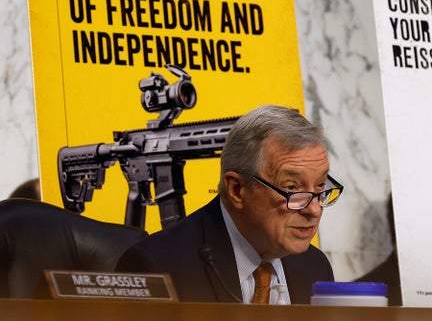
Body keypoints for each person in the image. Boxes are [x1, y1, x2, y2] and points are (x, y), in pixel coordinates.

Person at [115, 104, 344, 304]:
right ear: (237, 189)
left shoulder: (314, 266)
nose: (314, 210)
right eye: (292, 188)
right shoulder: (157, 267)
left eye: (320, 187)